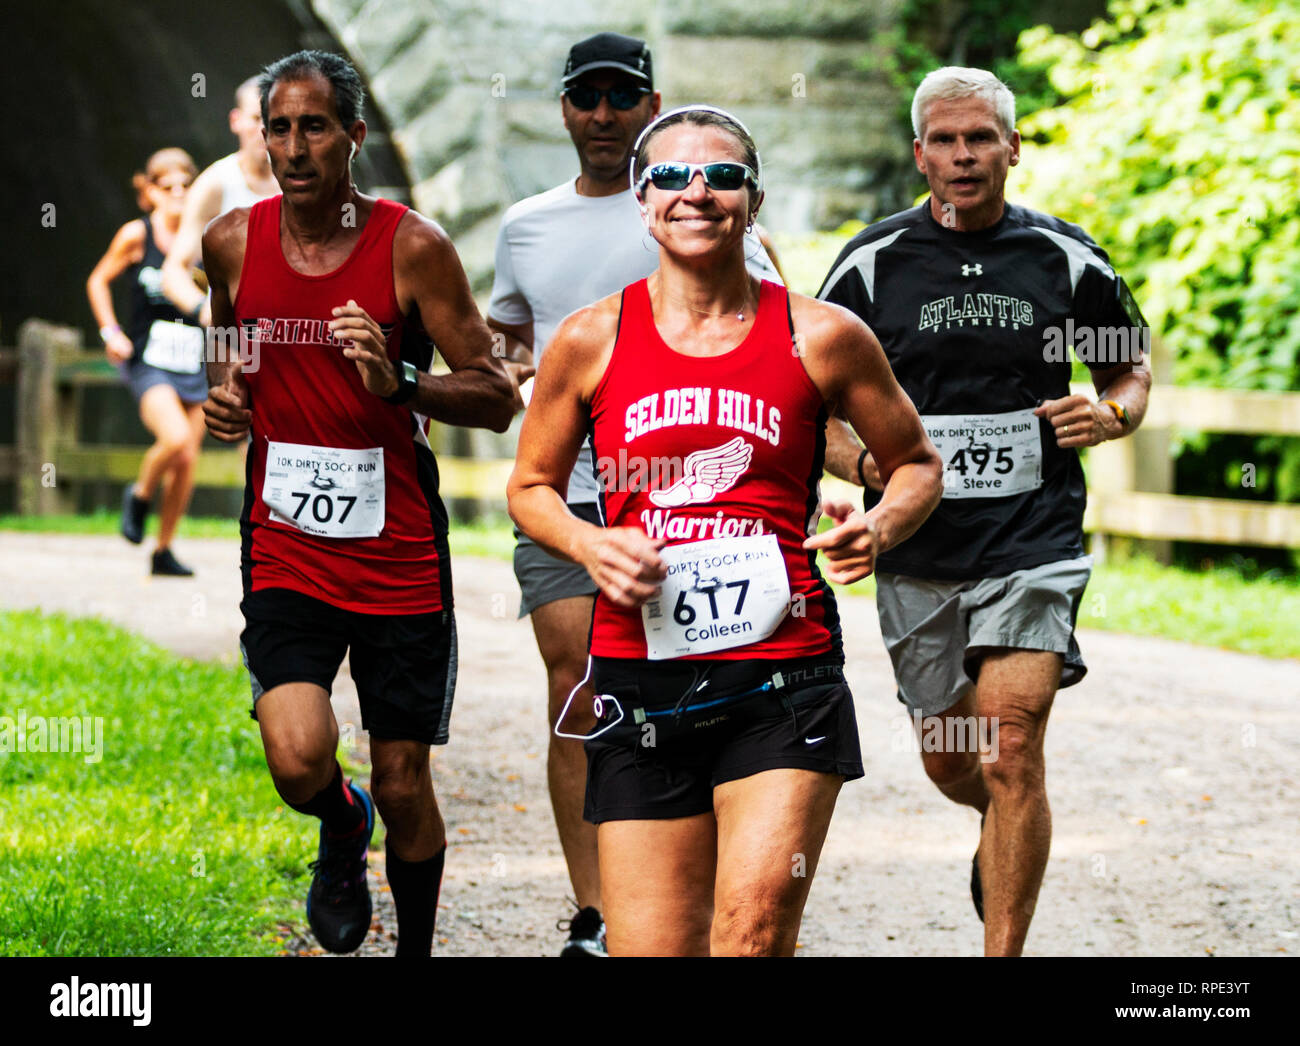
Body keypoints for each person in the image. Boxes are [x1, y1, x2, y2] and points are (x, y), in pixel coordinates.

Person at [507, 105, 942, 957]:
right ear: (641, 200)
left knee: (750, 934)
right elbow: (529, 488)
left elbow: (918, 463)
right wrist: (591, 544)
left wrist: (881, 527)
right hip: (641, 685)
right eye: (670, 176)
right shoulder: (591, 339)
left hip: (782, 680)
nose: (695, 191)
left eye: (721, 175)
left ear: (754, 198)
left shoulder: (822, 335)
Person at [817, 66, 1152, 956]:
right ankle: (996, 824)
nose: (964, 156)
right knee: (952, 757)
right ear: (919, 152)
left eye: (981, 139)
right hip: (920, 552)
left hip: (1031, 541)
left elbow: (1126, 370)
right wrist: (867, 466)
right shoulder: (871, 264)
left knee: (1010, 753)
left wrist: (1112, 412)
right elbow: (810, 396)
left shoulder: (1063, 259)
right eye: (946, 140)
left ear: (1013, 147)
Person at [200, 50, 514, 957]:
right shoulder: (231, 239)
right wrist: (228, 392)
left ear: (355, 135)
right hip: (287, 538)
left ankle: (412, 950)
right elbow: (226, 331)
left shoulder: (413, 247)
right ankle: (343, 827)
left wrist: (400, 380)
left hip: (398, 548)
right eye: (280, 127)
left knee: (406, 779)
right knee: (298, 758)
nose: (295, 147)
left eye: (316, 126)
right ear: (264, 137)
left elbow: (495, 395)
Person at [487, 32, 781, 956]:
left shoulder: (705, 206)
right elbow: (502, 337)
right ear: (567, 109)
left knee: (693, 680)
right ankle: (597, 913)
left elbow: (783, 345)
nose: (605, 115)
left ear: (650, 107)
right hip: (569, 499)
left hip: (697, 505)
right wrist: (520, 375)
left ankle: (697, 869)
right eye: (588, 98)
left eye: (623, 97)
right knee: (580, 683)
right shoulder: (526, 226)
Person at [86, 148, 207, 576]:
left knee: (189, 458)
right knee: (173, 438)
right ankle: (139, 495)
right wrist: (110, 332)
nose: (177, 193)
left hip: (194, 360)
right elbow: (98, 279)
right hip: (149, 359)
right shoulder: (136, 235)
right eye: (167, 186)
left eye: (185, 185)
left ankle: (164, 550)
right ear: (150, 192)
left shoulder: (203, 239)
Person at [160, 77, 278, 325]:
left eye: (276, 120)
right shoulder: (216, 183)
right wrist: (206, 310)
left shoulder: (302, 182)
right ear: (236, 120)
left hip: (291, 338)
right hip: (233, 344)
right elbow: (174, 271)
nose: (265, 130)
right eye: (257, 119)